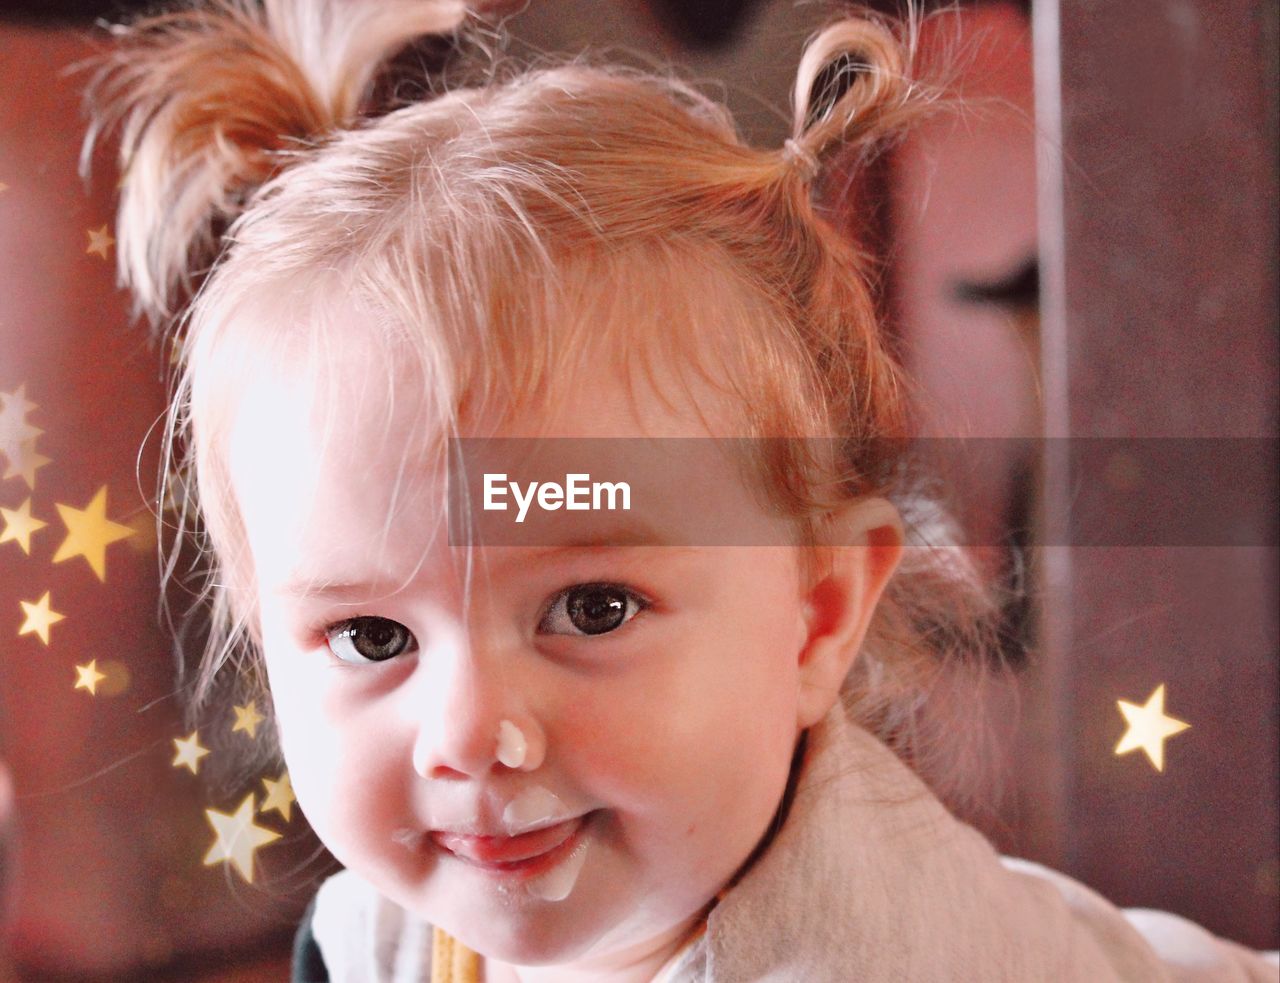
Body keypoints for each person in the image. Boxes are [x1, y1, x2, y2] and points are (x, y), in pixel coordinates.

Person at [84, 1, 1279, 980]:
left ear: (814, 612)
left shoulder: (875, 961)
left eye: (591, 608)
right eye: (370, 634)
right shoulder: (382, 934)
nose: (465, 734)